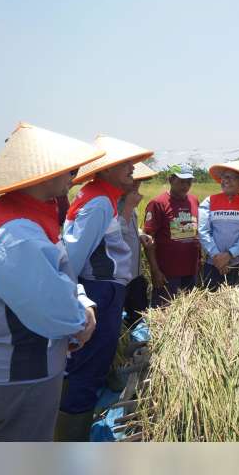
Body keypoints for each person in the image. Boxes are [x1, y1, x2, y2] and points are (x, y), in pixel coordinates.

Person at [0, 122, 101, 441]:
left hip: (31, 369)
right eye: (70, 169)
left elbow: (58, 276)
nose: (74, 176)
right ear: (46, 172)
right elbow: (52, 311)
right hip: (19, 374)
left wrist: (81, 302)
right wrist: (82, 318)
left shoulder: (30, 219)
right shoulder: (16, 236)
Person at [55, 135, 153, 441]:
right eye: (125, 164)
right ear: (106, 169)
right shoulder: (98, 202)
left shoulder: (105, 198)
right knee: (87, 366)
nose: (133, 169)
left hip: (107, 290)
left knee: (96, 361)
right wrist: (79, 300)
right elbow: (71, 258)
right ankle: (72, 438)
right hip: (98, 291)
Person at [143, 163, 201, 305]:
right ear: (170, 180)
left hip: (191, 270)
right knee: (164, 316)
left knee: (188, 314)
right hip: (167, 273)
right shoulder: (158, 203)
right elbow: (148, 240)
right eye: (181, 181)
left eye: (189, 182)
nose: (185, 186)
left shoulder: (194, 201)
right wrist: (155, 271)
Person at [198, 159, 239, 290]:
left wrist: (229, 255)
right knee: (211, 307)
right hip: (213, 264)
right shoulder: (209, 202)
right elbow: (203, 231)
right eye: (225, 177)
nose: (227, 180)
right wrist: (216, 257)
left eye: (232, 178)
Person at [119, 162, 158, 329]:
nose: (137, 184)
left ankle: (136, 349)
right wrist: (128, 206)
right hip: (120, 277)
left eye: (139, 181)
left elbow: (130, 228)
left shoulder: (130, 203)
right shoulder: (113, 203)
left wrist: (141, 233)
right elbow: (112, 234)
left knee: (138, 318)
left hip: (135, 275)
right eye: (133, 180)